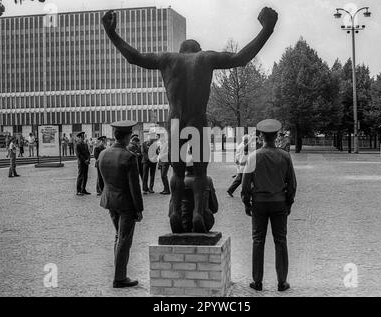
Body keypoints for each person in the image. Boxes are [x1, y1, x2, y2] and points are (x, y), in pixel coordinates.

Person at [102, 6, 278, 233]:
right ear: (197, 50)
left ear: (181, 50)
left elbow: (133, 57)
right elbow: (241, 58)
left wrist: (111, 32)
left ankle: (175, 211)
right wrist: (267, 30)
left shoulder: (166, 59)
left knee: (176, 172)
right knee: (200, 173)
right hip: (197, 121)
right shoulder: (205, 58)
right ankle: (197, 214)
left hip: (175, 122)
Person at [241, 119, 297, 293]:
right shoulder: (285, 156)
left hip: (259, 203)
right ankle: (282, 282)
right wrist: (288, 203)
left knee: (258, 241)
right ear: (276, 136)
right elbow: (292, 184)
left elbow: (245, 184)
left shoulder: (253, 156)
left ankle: (257, 281)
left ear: (260, 136)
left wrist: (246, 203)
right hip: (279, 202)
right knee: (280, 241)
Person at [98, 120, 144, 288]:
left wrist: (106, 194)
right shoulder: (129, 157)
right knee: (124, 240)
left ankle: (119, 273)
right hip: (125, 204)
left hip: (110, 201)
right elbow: (135, 186)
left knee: (118, 237)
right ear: (127, 137)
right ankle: (119, 278)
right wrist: (139, 209)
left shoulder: (103, 154)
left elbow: (101, 182)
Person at [171, 156, 218, 233]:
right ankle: (198, 217)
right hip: (205, 222)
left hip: (183, 222)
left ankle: (178, 218)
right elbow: (214, 207)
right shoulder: (207, 180)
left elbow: (171, 208)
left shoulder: (178, 182)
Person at [75, 131, 91, 196]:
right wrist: (85, 160)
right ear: (78, 138)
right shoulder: (77, 145)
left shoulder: (85, 144)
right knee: (80, 176)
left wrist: (88, 159)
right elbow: (79, 155)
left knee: (85, 176)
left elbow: (88, 153)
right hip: (81, 163)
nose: (82, 138)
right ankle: (78, 191)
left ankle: (83, 189)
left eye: (83, 137)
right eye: (81, 137)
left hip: (86, 163)